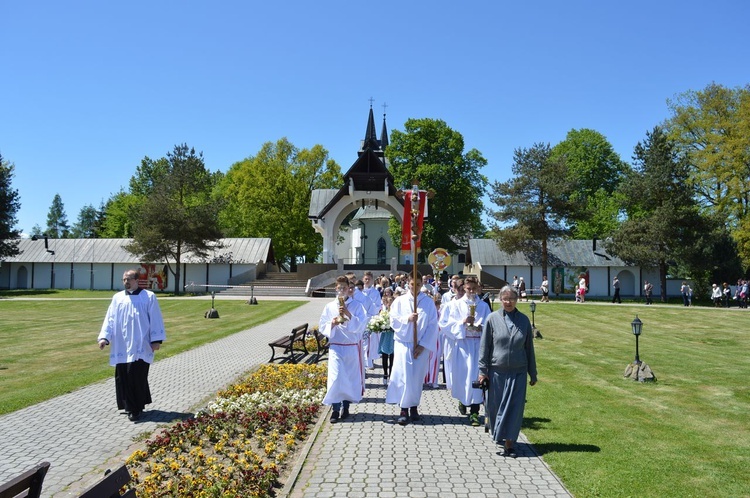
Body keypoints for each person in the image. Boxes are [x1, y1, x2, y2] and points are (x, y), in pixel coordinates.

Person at [97, 269, 167, 422]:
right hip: (122, 344)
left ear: (137, 280)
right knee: (123, 376)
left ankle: (134, 409)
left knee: (136, 376)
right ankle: (130, 405)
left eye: (129, 279)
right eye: (124, 279)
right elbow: (110, 319)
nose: (126, 282)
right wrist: (104, 337)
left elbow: (155, 318)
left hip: (141, 344)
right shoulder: (117, 298)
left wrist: (156, 340)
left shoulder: (148, 297)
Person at [478, 285, 537, 458]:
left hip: (518, 372)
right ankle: (499, 435)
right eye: (504, 298)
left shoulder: (524, 320)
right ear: (500, 300)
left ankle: (510, 443)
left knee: (515, 408)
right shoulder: (492, 318)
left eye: (511, 298)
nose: (508, 301)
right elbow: (484, 347)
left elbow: (529, 349)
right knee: (495, 407)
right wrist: (482, 371)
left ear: (517, 299)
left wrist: (532, 373)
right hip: (497, 372)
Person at [386, 272, 439, 425]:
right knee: (404, 376)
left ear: (421, 284)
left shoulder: (428, 302)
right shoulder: (400, 301)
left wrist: (423, 345)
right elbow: (393, 321)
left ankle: (414, 406)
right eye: (412, 284)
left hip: (421, 345)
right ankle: (403, 408)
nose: (414, 287)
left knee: (416, 377)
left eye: (417, 284)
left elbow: (432, 325)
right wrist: (407, 319)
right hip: (404, 343)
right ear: (407, 283)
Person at [443, 276, 491, 426]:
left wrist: (481, 327)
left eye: (473, 288)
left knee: (477, 378)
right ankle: (463, 401)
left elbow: (490, 324)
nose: (471, 291)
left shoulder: (483, 306)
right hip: (462, 345)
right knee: (463, 377)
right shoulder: (455, 304)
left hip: (478, 345)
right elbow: (445, 324)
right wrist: (462, 323)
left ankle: (475, 412)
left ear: (477, 288)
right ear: (463, 288)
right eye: (468, 288)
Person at [319, 276, 367, 423]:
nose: (342, 290)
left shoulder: (357, 306)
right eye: (339, 288)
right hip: (336, 347)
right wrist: (332, 324)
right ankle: (335, 409)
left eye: (344, 288)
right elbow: (322, 325)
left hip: (351, 347)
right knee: (336, 378)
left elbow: (361, 325)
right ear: (336, 288)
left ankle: (346, 408)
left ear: (349, 288)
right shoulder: (329, 306)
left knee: (348, 379)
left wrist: (348, 313)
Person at [379, 291, 395, 385]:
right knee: (385, 355)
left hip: (393, 336)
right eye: (389, 303)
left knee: (393, 356)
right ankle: (385, 374)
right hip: (386, 335)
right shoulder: (384, 312)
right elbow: (381, 322)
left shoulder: (396, 313)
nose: (391, 304)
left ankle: (391, 375)